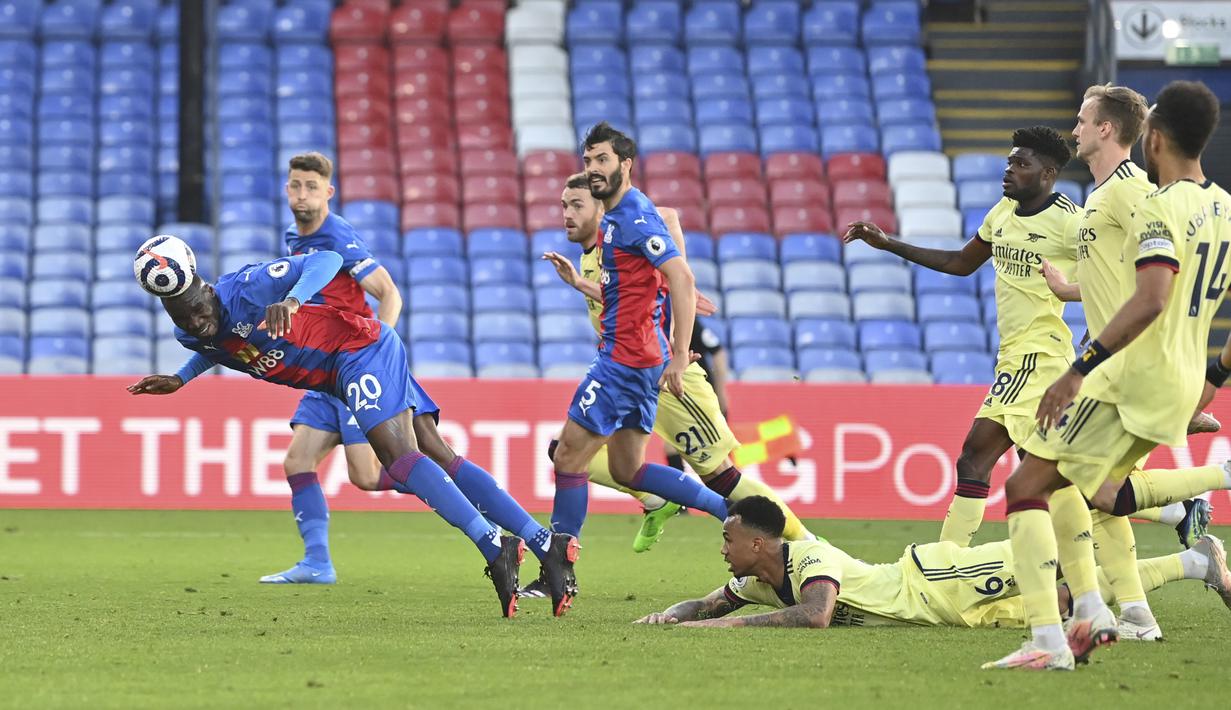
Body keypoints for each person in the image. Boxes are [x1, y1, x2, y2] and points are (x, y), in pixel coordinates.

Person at [128, 239, 574, 617]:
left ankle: (494, 545)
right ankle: (545, 544)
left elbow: (327, 259)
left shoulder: (248, 287)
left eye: (197, 309)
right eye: (182, 318)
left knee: (398, 459)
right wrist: (181, 378)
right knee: (438, 454)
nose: (195, 322)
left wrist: (292, 300)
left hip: (357, 351)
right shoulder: (192, 334)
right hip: (336, 377)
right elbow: (218, 346)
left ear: (206, 289)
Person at [844, 127, 1213, 555]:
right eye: (1009, 162)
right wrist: (888, 244)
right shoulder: (1002, 212)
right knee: (1058, 482)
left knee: (977, 456)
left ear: (1047, 174)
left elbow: (1123, 269)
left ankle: (943, 564)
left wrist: (1104, 315)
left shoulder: (1072, 222)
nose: (1009, 170)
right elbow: (961, 262)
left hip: (1040, 356)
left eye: (1021, 164)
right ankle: (1178, 511)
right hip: (1013, 355)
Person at [988, 80, 1230, 670]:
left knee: (1026, 486)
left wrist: (1081, 367)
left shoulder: (1144, 198)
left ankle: (1052, 640)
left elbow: (1150, 295)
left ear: (1154, 138)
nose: (1074, 128)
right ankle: (1114, 611)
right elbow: (1137, 278)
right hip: (1166, 372)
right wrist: (1208, 381)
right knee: (1096, 494)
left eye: (1081, 119)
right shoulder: (1222, 207)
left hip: (1125, 370)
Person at [543, 172, 814, 549]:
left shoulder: (622, 231)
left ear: (600, 209)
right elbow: (623, 296)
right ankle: (655, 499)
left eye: (576, 205)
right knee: (567, 452)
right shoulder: (594, 254)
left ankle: (808, 543)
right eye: (563, 205)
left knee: (722, 477)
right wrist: (580, 284)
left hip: (666, 373)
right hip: (626, 370)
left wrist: (680, 278)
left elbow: (668, 216)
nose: (567, 214)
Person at [545, 123, 730, 616]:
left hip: (623, 361)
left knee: (567, 458)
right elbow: (632, 284)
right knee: (627, 469)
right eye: (589, 161)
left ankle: (558, 571)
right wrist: (580, 284)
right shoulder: (619, 215)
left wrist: (680, 352)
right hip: (639, 359)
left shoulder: (631, 218)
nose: (593, 169)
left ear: (625, 164)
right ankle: (729, 511)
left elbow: (680, 275)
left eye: (602, 160)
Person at [633, 496, 1231, 630]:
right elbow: (704, 604)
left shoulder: (809, 556)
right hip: (949, 617)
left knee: (1051, 554)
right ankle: (1196, 563)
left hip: (934, 580)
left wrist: (723, 626)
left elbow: (816, 616)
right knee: (1069, 599)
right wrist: (670, 616)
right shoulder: (756, 582)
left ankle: (1157, 504)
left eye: (729, 538)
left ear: (760, 543)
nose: (723, 548)